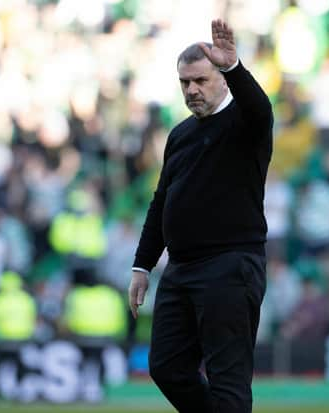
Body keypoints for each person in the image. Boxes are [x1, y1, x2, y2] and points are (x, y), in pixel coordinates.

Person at [127, 19, 272, 413]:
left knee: (229, 381)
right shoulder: (180, 135)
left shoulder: (245, 123)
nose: (192, 90)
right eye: (185, 83)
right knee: (166, 366)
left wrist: (234, 67)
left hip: (229, 264)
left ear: (221, 80)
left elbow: (260, 109)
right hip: (181, 268)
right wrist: (142, 264)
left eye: (201, 80)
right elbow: (161, 202)